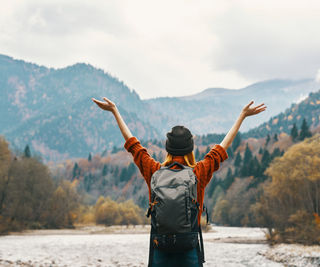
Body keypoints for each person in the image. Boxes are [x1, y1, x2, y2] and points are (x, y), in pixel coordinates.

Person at [92, 97, 266, 266]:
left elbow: (133, 145)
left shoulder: (154, 172)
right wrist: (242, 115)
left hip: (160, 248)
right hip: (188, 249)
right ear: (190, 148)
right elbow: (221, 147)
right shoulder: (199, 173)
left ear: (168, 148)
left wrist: (114, 111)